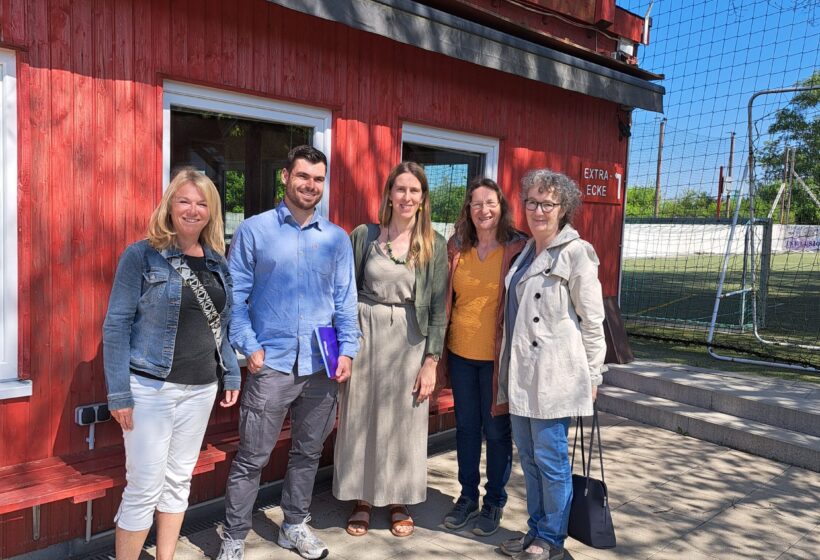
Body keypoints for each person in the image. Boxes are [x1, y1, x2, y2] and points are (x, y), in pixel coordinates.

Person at [217, 145, 360, 560]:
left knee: (308, 452)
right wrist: (249, 346)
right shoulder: (254, 231)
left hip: (321, 365)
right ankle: (234, 536)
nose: (310, 185)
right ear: (285, 176)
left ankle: (294, 525)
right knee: (252, 457)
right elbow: (234, 298)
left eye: (318, 179)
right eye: (303, 176)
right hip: (272, 365)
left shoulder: (336, 239)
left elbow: (345, 301)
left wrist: (347, 351)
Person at [102, 168, 241, 560]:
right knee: (144, 487)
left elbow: (222, 327)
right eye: (184, 201)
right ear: (169, 206)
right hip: (151, 389)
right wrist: (119, 393)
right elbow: (116, 326)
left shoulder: (217, 263)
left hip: (201, 388)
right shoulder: (141, 255)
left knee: (178, 482)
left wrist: (231, 371)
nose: (192, 210)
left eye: (201, 203)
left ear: (211, 212)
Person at [333, 161, 447, 538]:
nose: (407, 197)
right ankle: (363, 498)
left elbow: (438, 308)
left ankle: (399, 499)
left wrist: (431, 361)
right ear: (389, 194)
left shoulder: (434, 244)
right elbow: (344, 293)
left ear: (423, 198)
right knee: (361, 415)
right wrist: (343, 347)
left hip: (410, 339)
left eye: (414, 190)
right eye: (401, 189)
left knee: (404, 420)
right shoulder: (364, 236)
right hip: (365, 334)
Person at [497, 169, 606, 560]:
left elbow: (593, 321)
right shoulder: (527, 251)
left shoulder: (576, 252)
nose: (538, 210)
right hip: (522, 373)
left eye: (548, 203)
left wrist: (593, 374)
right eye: (532, 202)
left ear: (564, 208)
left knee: (551, 460)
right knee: (529, 459)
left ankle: (552, 539)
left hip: (555, 376)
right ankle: (536, 530)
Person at [439, 178, 527, 536]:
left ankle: (494, 501)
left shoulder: (519, 248)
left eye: (490, 203)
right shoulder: (457, 246)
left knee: (496, 430)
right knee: (466, 428)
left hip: (497, 359)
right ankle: (467, 497)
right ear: (468, 209)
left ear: (501, 207)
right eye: (476, 203)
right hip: (460, 354)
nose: (483, 210)